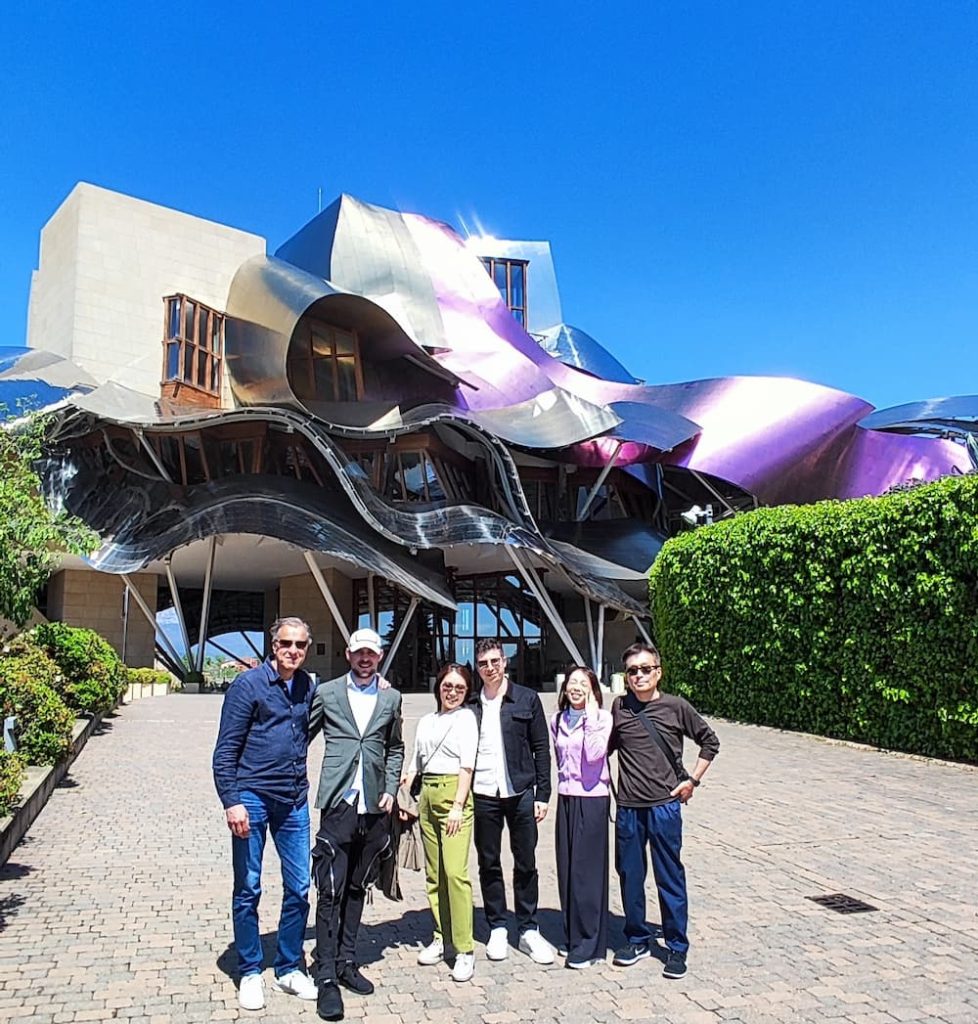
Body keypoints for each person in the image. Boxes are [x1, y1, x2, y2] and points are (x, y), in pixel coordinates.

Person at [211, 616, 319, 1012]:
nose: (293, 651)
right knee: (249, 888)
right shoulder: (248, 686)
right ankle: (251, 970)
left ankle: (289, 967)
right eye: (286, 643)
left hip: (293, 800)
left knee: (299, 887)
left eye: (301, 645)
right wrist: (231, 800)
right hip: (252, 798)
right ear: (273, 646)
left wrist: (380, 686)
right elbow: (225, 751)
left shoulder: (309, 686)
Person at [309, 627, 404, 1021]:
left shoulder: (391, 696)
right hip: (339, 803)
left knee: (357, 887)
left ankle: (347, 961)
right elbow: (302, 735)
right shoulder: (327, 693)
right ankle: (326, 974)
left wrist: (393, 786)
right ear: (348, 654)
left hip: (373, 805)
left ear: (379, 657)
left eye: (372, 654)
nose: (365, 659)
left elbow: (395, 745)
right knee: (330, 889)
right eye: (359, 653)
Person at [610, 642, 719, 979]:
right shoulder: (619, 708)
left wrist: (692, 781)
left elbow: (710, 741)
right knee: (630, 876)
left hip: (664, 807)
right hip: (628, 807)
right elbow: (601, 748)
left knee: (669, 877)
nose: (639, 675)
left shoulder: (675, 707)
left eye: (646, 669)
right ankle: (638, 938)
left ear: (658, 672)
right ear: (625, 677)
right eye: (632, 671)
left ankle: (676, 946)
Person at [469, 638, 554, 964]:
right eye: (483, 663)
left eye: (494, 661)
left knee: (525, 861)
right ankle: (497, 926)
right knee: (488, 862)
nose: (489, 668)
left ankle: (528, 927)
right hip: (484, 794)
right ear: (477, 668)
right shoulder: (472, 705)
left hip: (520, 792)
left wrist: (542, 794)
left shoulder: (527, 699)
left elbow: (541, 749)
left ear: (504, 662)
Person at [405, 663, 479, 983]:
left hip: (453, 797)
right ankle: (441, 936)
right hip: (428, 796)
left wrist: (458, 806)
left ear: (467, 692)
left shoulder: (466, 719)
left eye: (459, 688)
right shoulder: (426, 721)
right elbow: (416, 762)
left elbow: (467, 765)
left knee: (455, 874)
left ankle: (464, 948)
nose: (452, 692)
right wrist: (404, 790)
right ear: (438, 687)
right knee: (435, 875)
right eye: (447, 686)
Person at [550, 666, 612, 969]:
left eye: (582, 683)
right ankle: (573, 935)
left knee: (588, 874)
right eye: (571, 682)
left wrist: (589, 716)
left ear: (592, 689)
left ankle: (590, 945)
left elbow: (594, 754)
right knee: (568, 871)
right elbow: (560, 759)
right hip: (566, 797)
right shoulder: (557, 720)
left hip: (593, 799)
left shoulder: (602, 718)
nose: (575, 687)